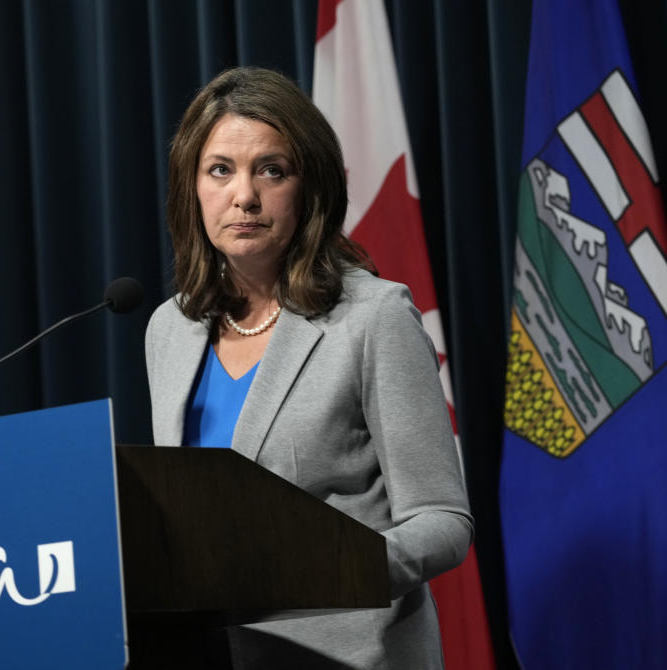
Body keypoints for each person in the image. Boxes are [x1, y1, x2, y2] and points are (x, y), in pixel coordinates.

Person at [144, 66, 472, 669]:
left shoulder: (373, 317)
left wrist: (333, 570)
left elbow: (443, 522)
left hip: (348, 657)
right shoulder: (171, 327)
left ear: (309, 187)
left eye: (271, 169)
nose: (244, 196)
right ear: (191, 188)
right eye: (220, 170)